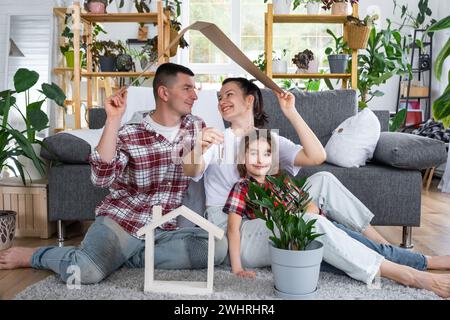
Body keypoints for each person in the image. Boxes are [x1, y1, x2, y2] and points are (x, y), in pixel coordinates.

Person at [182, 78, 450, 298]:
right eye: (218, 97)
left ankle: (386, 249)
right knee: (311, 221)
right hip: (235, 224)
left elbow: (316, 156)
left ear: (249, 99)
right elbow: (190, 170)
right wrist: (200, 145)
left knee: (324, 179)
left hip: (267, 216)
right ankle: (407, 272)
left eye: (228, 94)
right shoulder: (216, 138)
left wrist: (292, 112)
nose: (221, 102)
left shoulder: (268, 140)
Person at [0, 63, 227, 284]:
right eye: (187, 88)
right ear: (164, 93)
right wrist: (113, 120)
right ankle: (36, 255)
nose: (195, 96)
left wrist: (201, 147)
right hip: (123, 221)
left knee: (216, 247)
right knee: (87, 272)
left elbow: (194, 170)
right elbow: (101, 178)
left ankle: (124, 257)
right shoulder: (130, 132)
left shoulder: (196, 127)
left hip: (163, 230)